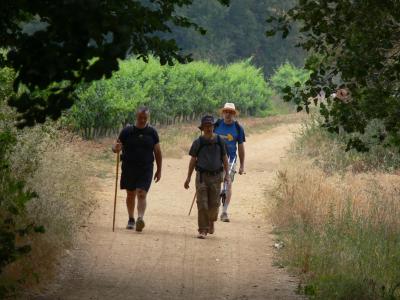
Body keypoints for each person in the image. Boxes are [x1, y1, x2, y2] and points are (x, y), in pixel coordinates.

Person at [112, 106, 162, 232]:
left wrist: (159, 170)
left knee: (141, 193)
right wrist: (115, 148)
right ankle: (131, 219)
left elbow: (158, 152)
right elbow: (116, 146)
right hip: (129, 167)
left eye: (145, 118)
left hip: (146, 168)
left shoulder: (152, 133)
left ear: (148, 118)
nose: (142, 120)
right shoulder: (127, 131)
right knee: (130, 194)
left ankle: (140, 218)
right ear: (136, 117)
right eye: (140, 117)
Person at [184, 115, 230, 239]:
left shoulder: (220, 141)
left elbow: (225, 158)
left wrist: (227, 175)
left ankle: (211, 221)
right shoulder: (198, 142)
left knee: (214, 204)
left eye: (210, 126)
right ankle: (203, 229)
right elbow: (193, 160)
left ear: (213, 127)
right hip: (202, 177)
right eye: (206, 126)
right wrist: (188, 177)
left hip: (216, 177)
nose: (209, 128)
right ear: (202, 128)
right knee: (202, 204)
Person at [213, 103, 245, 222]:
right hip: (215, 159)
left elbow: (241, 147)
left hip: (231, 160)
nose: (228, 114)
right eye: (226, 111)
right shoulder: (216, 125)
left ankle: (224, 212)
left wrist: (241, 165)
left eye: (231, 112)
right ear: (223, 113)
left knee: (228, 184)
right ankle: (213, 209)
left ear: (234, 114)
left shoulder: (238, 128)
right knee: (215, 184)